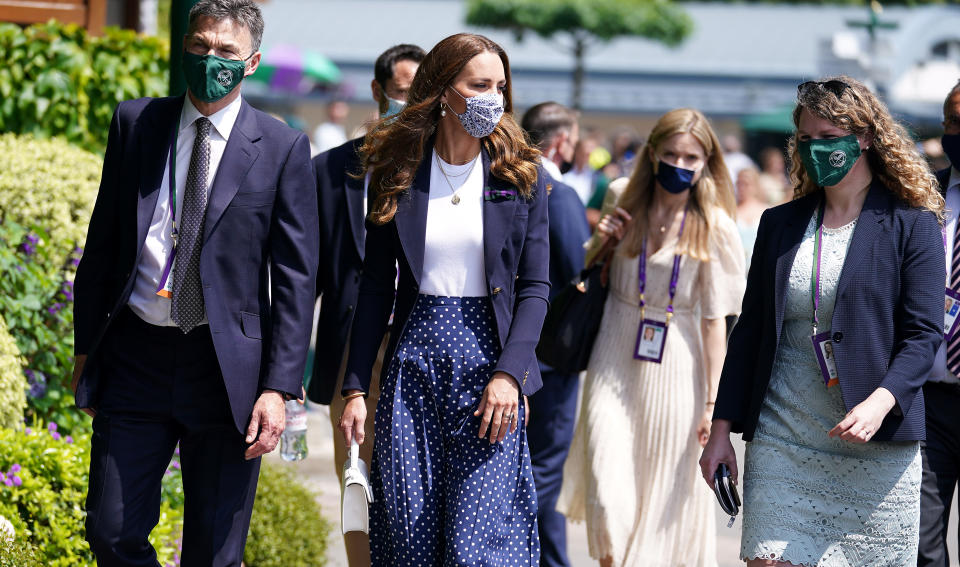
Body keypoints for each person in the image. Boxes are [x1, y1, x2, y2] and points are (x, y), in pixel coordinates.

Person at [71, 1, 319, 564]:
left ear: (251, 62)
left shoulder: (281, 148)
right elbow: (103, 242)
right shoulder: (136, 123)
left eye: (227, 51)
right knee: (110, 532)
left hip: (227, 369)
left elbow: (296, 277)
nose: (211, 60)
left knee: (214, 553)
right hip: (135, 354)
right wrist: (87, 348)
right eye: (201, 45)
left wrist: (279, 388)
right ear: (184, 45)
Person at [701, 76, 944, 567]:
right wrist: (721, 429)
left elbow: (924, 335)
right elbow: (749, 334)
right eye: (807, 140)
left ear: (866, 137)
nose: (817, 150)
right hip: (782, 438)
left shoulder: (911, 223)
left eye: (829, 139)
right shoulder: (780, 223)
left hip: (876, 445)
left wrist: (882, 400)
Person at [337, 33, 549, 566]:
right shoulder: (397, 170)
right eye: (480, 85)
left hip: (491, 371)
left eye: (501, 87)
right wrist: (356, 386)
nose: (493, 99)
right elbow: (375, 288)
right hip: (412, 371)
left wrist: (510, 375)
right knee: (409, 541)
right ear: (442, 90)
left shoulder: (520, 175)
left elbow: (535, 288)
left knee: (477, 548)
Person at [558, 108, 746, 567]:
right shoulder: (622, 196)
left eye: (691, 157)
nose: (680, 164)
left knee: (665, 495)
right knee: (608, 488)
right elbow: (591, 272)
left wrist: (711, 404)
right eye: (671, 154)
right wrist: (601, 240)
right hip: (614, 346)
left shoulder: (715, 225)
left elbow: (714, 321)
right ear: (652, 154)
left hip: (679, 360)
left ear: (706, 162)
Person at [307, 43, 425, 566]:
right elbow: (301, 275)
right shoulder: (328, 171)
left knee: (416, 489)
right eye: (403, 94)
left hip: (421, 348)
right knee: (357, 482)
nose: (413, 105)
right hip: (350, 350)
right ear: (379, 93)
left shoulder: (447, 167)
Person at [520, 101, 591, 567]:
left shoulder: (509, 182)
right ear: (562, 141)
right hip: (551, 356)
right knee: (545, 469)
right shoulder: (558, 192)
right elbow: (578, 271)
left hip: (517, 352)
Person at [918, 79, 960, 567]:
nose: (958, 133)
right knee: (922, 548)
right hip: (927, 400)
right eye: (952, 122)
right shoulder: (923, 198)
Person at [736, 167, 768, 269]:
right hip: (737, 267)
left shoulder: (766, 211)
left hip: (760, 266)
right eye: (739, 183)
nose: (741, 188)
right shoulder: (731, 211)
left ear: (755, 185)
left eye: (746, 184)